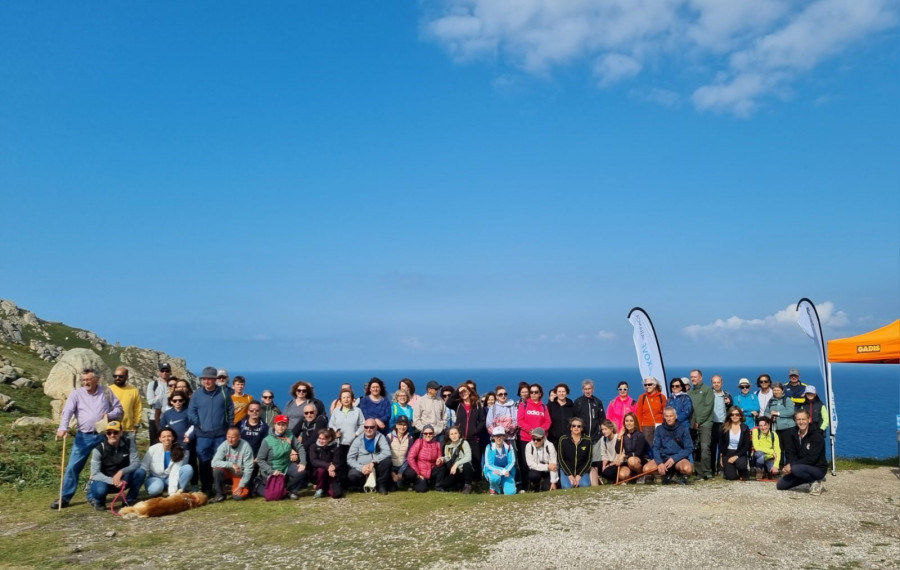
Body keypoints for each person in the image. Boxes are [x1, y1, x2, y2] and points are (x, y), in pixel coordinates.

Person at [52, 367, 123, 509]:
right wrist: (63, 428)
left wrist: (110, 415)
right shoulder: (76, 394)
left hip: (103, 436)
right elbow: (68, 412)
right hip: (83, 436)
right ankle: (64, 498)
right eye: (83, 380)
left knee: (98, 468)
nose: (85, 382)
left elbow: (119, 409)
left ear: (96, 379)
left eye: (88, 379)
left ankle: (93, 497)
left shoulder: (107, 392)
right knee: (73, 467)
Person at [188, 366, 234, 496]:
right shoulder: (197, 394)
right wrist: (198, 423)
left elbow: (230, 411)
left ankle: (220, 488)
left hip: (220, 434)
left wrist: (230, 428)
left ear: (215, 380)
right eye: (204, 379)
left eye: (210, 379)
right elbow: (191, 411)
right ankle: (207, 488)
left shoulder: (224, 393)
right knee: (203, 462)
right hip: (203, 435)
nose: (207, 381)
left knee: (219, 462)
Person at [87, 420, 146, 510]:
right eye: (109, 433)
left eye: (115, 432)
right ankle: (98, 501)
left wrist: (121, 472)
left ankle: (129, 500)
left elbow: (136, 463)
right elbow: (95, 473)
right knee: (100, 490)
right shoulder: (98, 449)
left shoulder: (129, 443)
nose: (112, 435)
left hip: (123, 479)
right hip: (105, 480)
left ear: (121, 432)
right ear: (106, 434)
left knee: (141, 472)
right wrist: (113, 481)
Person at [256, 415, 307, 500]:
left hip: (286, 465)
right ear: (274, 425)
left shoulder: (290, 435)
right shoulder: (267, 440)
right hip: (272, 469)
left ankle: (291, 491)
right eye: (279, 424)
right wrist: (271, 471)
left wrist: (303, 463)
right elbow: (260, 459)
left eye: (284, 424)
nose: (281, 427)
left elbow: (300, 447)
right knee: (274, 496)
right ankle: (258, 485)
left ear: (287, 426)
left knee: (301, 472)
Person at [777, 409, 827, 495]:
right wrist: (788, 466)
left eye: (803, 419)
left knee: (796, 469)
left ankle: (814, 482)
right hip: (800, 467)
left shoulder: (817, 436)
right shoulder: (792, 434)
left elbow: (812, 459)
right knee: (781, 485)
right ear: (795, 421)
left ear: (809, 420)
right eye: (798, 419)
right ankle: (805, 477)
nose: (801, 422)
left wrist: (792, 465)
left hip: (817, 468)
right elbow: (790, 453)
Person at [141, 427, 193, 497]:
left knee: (188, 468)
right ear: (160, 439)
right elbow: (144, 466)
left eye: (169, 436)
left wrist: (172, 494)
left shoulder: (179, 450)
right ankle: (158, 489)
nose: (166, 439)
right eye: (164, 437)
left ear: (173, 437)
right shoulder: (153, 449)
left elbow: (174, 473)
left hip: (169, 478)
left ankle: (180, 491)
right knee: (155, 490)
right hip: (155, 477)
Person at [328, 388, 365, 485]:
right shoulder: (336, 411)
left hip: (353, 442)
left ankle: (355, 483)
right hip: (340, 443)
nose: (346, 399)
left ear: (352, 399)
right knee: (341, 464)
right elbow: (331, 424)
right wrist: (335, 432)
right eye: (344, 397)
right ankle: (343, 484)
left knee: (352, 463)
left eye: (348, 397)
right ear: (340, 399)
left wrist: (356, 434)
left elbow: (363, 424)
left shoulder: (357, 411)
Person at [347, 419, 392, 494]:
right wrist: (361, 468)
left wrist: (373, 462)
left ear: (376, 427)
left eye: (371, 427)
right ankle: (362, 486)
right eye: (366, 427)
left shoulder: (380, 437)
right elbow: (350, 459)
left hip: (376, 466)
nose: (368, 429)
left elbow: (387, 452)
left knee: (387, 462)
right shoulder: (357, 440)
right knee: (352, 475)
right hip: (362, 467)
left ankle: (381, 486)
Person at [210, 426, 255, 502]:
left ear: (239, 437)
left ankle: (245, 487)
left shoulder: (246, 447)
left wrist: (241, 485)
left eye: (233, 437)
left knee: (238, 497)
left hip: (240, 474)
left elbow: (249, 469)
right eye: (228, 437)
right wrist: (231, 464)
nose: (230, 440)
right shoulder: (224, 445)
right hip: (228, 472)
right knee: (217, 470)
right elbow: (214, 462)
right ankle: (220, 494)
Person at [517, 383, 551, 479]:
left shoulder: (544, 407)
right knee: (525, 463)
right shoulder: (523, 405)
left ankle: (540, 484)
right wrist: (531, 430)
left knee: (541, 461)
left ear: (540, 394)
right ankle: (525, 486)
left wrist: (539, 432)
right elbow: (520, 421)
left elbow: (548, 422)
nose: (533, 394)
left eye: (536, 392)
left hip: (540, 440)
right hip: (526, 439)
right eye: (531, 392)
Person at [652, 408, 693, 484]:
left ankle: (678, 474)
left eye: (671, 416)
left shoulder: (683, 429)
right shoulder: (659, 429)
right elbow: (655, 447)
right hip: (664, 458)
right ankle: (665, 475)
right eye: (666, 416)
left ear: (676, 416)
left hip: (678, 459)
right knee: (646, 469)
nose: (669, 418)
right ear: (664, 417)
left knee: (688, 469)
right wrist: (659, 462)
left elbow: (689, 448)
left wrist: (674, 458)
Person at [688, 369, 714, 480]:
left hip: (705, 424)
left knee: (705, 448)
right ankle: (699, 473)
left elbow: (708, 407)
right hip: (693, 425)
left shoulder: (707, 390)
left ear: (700, 377)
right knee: (695, 448)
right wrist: (693, 423)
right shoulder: (690, 393)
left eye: (695, 376)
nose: (693, 379)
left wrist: (698, 421)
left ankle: (707, 472)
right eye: (691, 377)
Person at [452, 382, 485, 469]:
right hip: (460, 437)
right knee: (461, 458)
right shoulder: (458, 404)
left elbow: (482, 420)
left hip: (473, 437)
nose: (463, 394)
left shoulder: (476, 405)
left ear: (469, 392)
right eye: (461, 392)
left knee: (476, 459)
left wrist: (475, 430)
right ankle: (463, 479)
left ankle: (477, 480)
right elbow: (448, 403)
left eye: (465, 391)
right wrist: (457, 390)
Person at [404, 424, 444, 492]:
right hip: (419, 469)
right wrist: (418, 473)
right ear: (422, 434)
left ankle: (437, 486)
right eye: (425, 433)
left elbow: (439, 458)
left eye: (430, 433)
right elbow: (410, 458)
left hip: (431, 469)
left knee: (442, 467)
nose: (428, 435)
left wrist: (440, 461)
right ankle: (413, 482)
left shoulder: (437, 444)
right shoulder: (419, 442)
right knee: (421, 489)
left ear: (433, 434)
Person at [618, 412, 656, 483]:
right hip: (628, 461)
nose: (629, 423)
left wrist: (624, 455)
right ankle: (632, 479)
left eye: (631, 421)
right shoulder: (624, 436)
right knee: (622, 475)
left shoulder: (640, 435)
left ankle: (641, 476)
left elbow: (638, 453)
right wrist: (619, 437)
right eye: (627, 421)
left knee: (632, 461)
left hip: (640, 460)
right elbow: (617, 450)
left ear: (635, 422)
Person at [765, 382, 797, 468]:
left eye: (778, 390)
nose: (776, 392)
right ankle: (779, 466)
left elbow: (791, 412)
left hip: (788, 427)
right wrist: (770, 416)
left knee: (789, 448)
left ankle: (790, 466)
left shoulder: (787, 400)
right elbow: (766, 412)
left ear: (782, 390)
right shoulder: (771, 401)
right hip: (776, 428)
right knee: (778, 448)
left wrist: (778, 413)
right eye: (774, 390)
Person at [436, 426, 474, 493]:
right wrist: (442, 459)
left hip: (464, 469)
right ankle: (457, 485)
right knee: (444, 485)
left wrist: (456, 464)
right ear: (449, 436)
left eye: (455, 433)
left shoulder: (464, 443)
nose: (454, 436)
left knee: (467, 465)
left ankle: (468, 485)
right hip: (454, 470)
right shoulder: (447, 446)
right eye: (452, 434)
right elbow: (448, 457)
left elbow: (468, 457)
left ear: (459, 434)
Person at [557, 417, 592, 489]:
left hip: (581, 471)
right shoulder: (563, 439)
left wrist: (579, 475)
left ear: (582, 428)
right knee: (567, 487)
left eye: (579, 426)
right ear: (570, 428)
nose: (576, 428)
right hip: (566, 470)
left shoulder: (588, 440)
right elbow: (561, 459)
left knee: (585, 485)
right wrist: (570, 475)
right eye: (574, 426)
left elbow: (588, 460)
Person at [718, 406, 751, 481]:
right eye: (732, 415)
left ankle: (743, 472)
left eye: (737, 414)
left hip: (740, 453)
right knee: (731, 477)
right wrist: (721, 457)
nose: (734, 416)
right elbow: (721, 444)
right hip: (728, 453)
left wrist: (736, 456)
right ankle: (731, 470)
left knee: (741, 465)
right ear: (729, 416)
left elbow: (746, 446)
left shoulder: (745, 428)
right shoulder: (724, 428)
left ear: (740, 416)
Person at [308, 428, 343, 499]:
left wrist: (333, 468)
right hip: (317, 473)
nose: (321, 441)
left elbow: (337, 463)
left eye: (323, 439)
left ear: (329, 439)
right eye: (319, 438)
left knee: (337, 494)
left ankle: (326, 488)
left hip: (331, 474)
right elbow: (314, 461)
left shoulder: (336, 447)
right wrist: (328, 466)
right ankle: (319, 488)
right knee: (321, 470)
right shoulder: (314, 446)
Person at [109, 366, 142, 436]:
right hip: (112, 430)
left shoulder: (134, 391)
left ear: (126, 377)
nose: (117, 378)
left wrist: (136, 425)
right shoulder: (108, 390)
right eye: (115, 376)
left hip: (129, 429)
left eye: (120, 376)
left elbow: (137, 409)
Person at [483, 426, 517, 495]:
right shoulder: (489, 447)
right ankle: (494, 488)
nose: (498, 438)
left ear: (504, 437)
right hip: (494, 471)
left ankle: (502, 486)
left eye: (500, 436)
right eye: (496, 436)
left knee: (511, 492)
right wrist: (501, 470)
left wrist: (506, 471)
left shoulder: (509, 446)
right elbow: (488, 464)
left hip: (506, 472)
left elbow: (512, 461)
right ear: (493, 437)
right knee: (494, 478)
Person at [710, 375, 732, 476]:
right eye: (714, 382)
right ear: (712, 383)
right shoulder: (709, 394)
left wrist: (729, 403)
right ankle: (711, 469)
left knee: (722, 447)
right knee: (712, 447)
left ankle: (721, 468)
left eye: (718, 382)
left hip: (724, 424)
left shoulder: (727, 395)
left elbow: (732, 410)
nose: (716, 384)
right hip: (712, 423)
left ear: (722, 383)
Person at [524, 427, 558, 491]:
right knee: (533, 475)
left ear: (543, 438)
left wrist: (553, 482)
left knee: (546, 488)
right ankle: (535, 485)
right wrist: (547, 466)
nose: (535, 441)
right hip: (538, 469)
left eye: (538, 439)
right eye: (534, 439)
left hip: (549, 471)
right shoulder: (529, 446)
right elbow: (531, 464)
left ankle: (547, 484)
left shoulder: (550, 446)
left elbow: (554, 466)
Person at [146, 363, 173, 445]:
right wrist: (166, 396)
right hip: (154, 418)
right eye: (162, 370)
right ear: (159, 372)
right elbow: (150, 401)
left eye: (167, 371)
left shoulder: (173, 384)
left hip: (170, 418)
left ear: (170, 372)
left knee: (170, 443)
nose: (164, 372)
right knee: (155, 444)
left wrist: (158, 397)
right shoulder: (153, 384)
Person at [636, 377, 666, 446]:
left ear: (654, 385)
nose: (647, 386)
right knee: (648, 448)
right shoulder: (642, 397)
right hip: (646, 427)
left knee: (660, 446)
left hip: (659, 426)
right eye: (645, 385)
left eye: (649, 384)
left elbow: (665, 413)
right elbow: (639, 414)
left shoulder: (662, 397)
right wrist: (639, 428)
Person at [387, 415, 413, 490]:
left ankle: (405, 481)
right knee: (392, 489)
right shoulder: (389, 437)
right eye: (400, 424)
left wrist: (400, 472)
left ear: (407, 426)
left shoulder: (410, 438)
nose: (402, 427)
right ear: (396, 425)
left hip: (403, 466)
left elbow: (409, 457)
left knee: (411, 474)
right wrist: (392, 472)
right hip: (391, 467)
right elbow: (386, 456)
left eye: (405, 425)